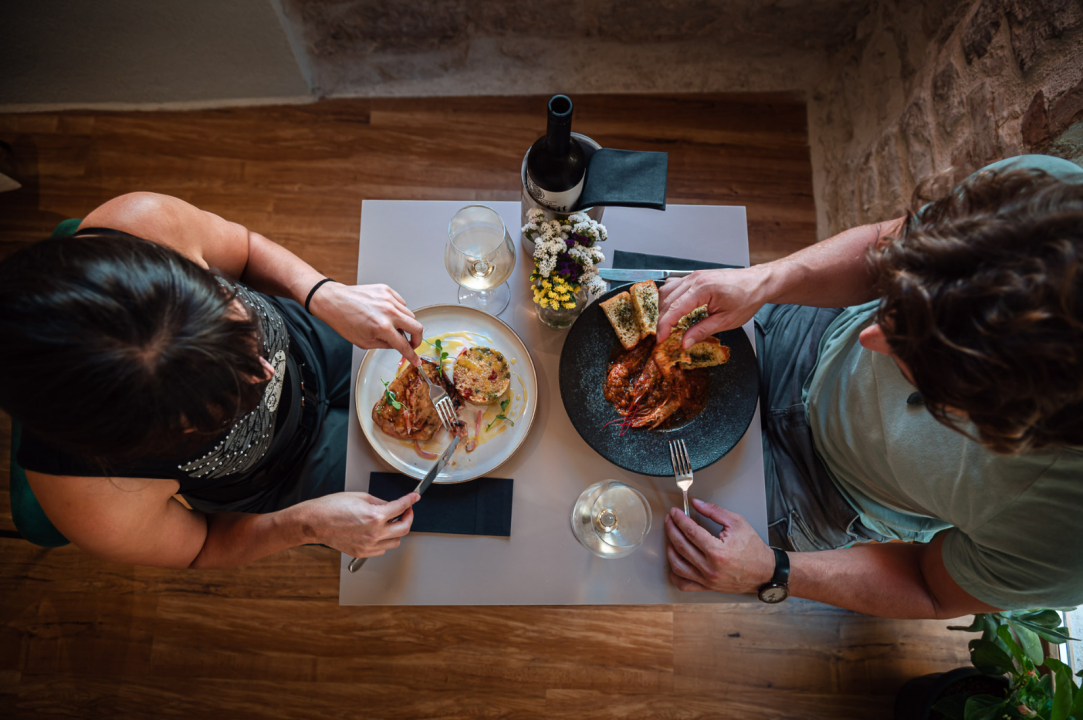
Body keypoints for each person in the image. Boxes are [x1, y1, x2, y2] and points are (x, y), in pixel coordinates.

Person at [658, 155, 1083, 619]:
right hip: (805, 328)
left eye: (914, 358)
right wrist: (768, 279)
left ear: (999, 420)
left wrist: (773, 571)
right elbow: (890, 247)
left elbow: (930, 586)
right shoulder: (1040, 211)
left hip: (815, 494)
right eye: (894, 307)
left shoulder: (1065, 540)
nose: (869, 337)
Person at [0, 192, 425, 568]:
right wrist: (306, 524)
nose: (266, 371)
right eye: (225, 400)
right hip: (281, 477)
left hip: (313, 338)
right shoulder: (89, 496)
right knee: (445, 507)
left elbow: (243, 249)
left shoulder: (143, 224)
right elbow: (201, 546)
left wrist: (319, 291)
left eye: (239, 327)